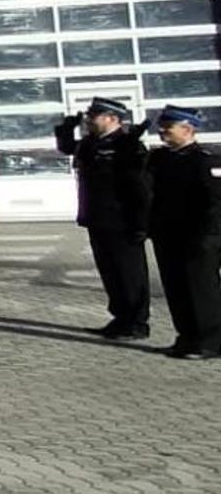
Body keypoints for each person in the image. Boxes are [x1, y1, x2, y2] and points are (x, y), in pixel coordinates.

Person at [54, 97, 152, 341]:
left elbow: (140, 188)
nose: (89, 120)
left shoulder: (128, 145)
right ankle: (120, 318)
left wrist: (142, 223)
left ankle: (137, 323)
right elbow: (68, 148)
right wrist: (66, 129)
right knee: (110, 271)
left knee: (129, 273)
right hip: (97, 217)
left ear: (112, 118)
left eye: (94, 116)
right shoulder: (91, 143)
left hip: (123, 220)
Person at [144, 106, 221, 360]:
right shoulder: (159, 159)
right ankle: (186, 338)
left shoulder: (206, 160)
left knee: (202, 290)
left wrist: (208, 236)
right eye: (162, 126)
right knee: (176, 290)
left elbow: (215, 203)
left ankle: (211, 342)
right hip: (168, 236)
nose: (162, 131)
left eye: (169, 127)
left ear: (187, 130)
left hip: (198, 237)